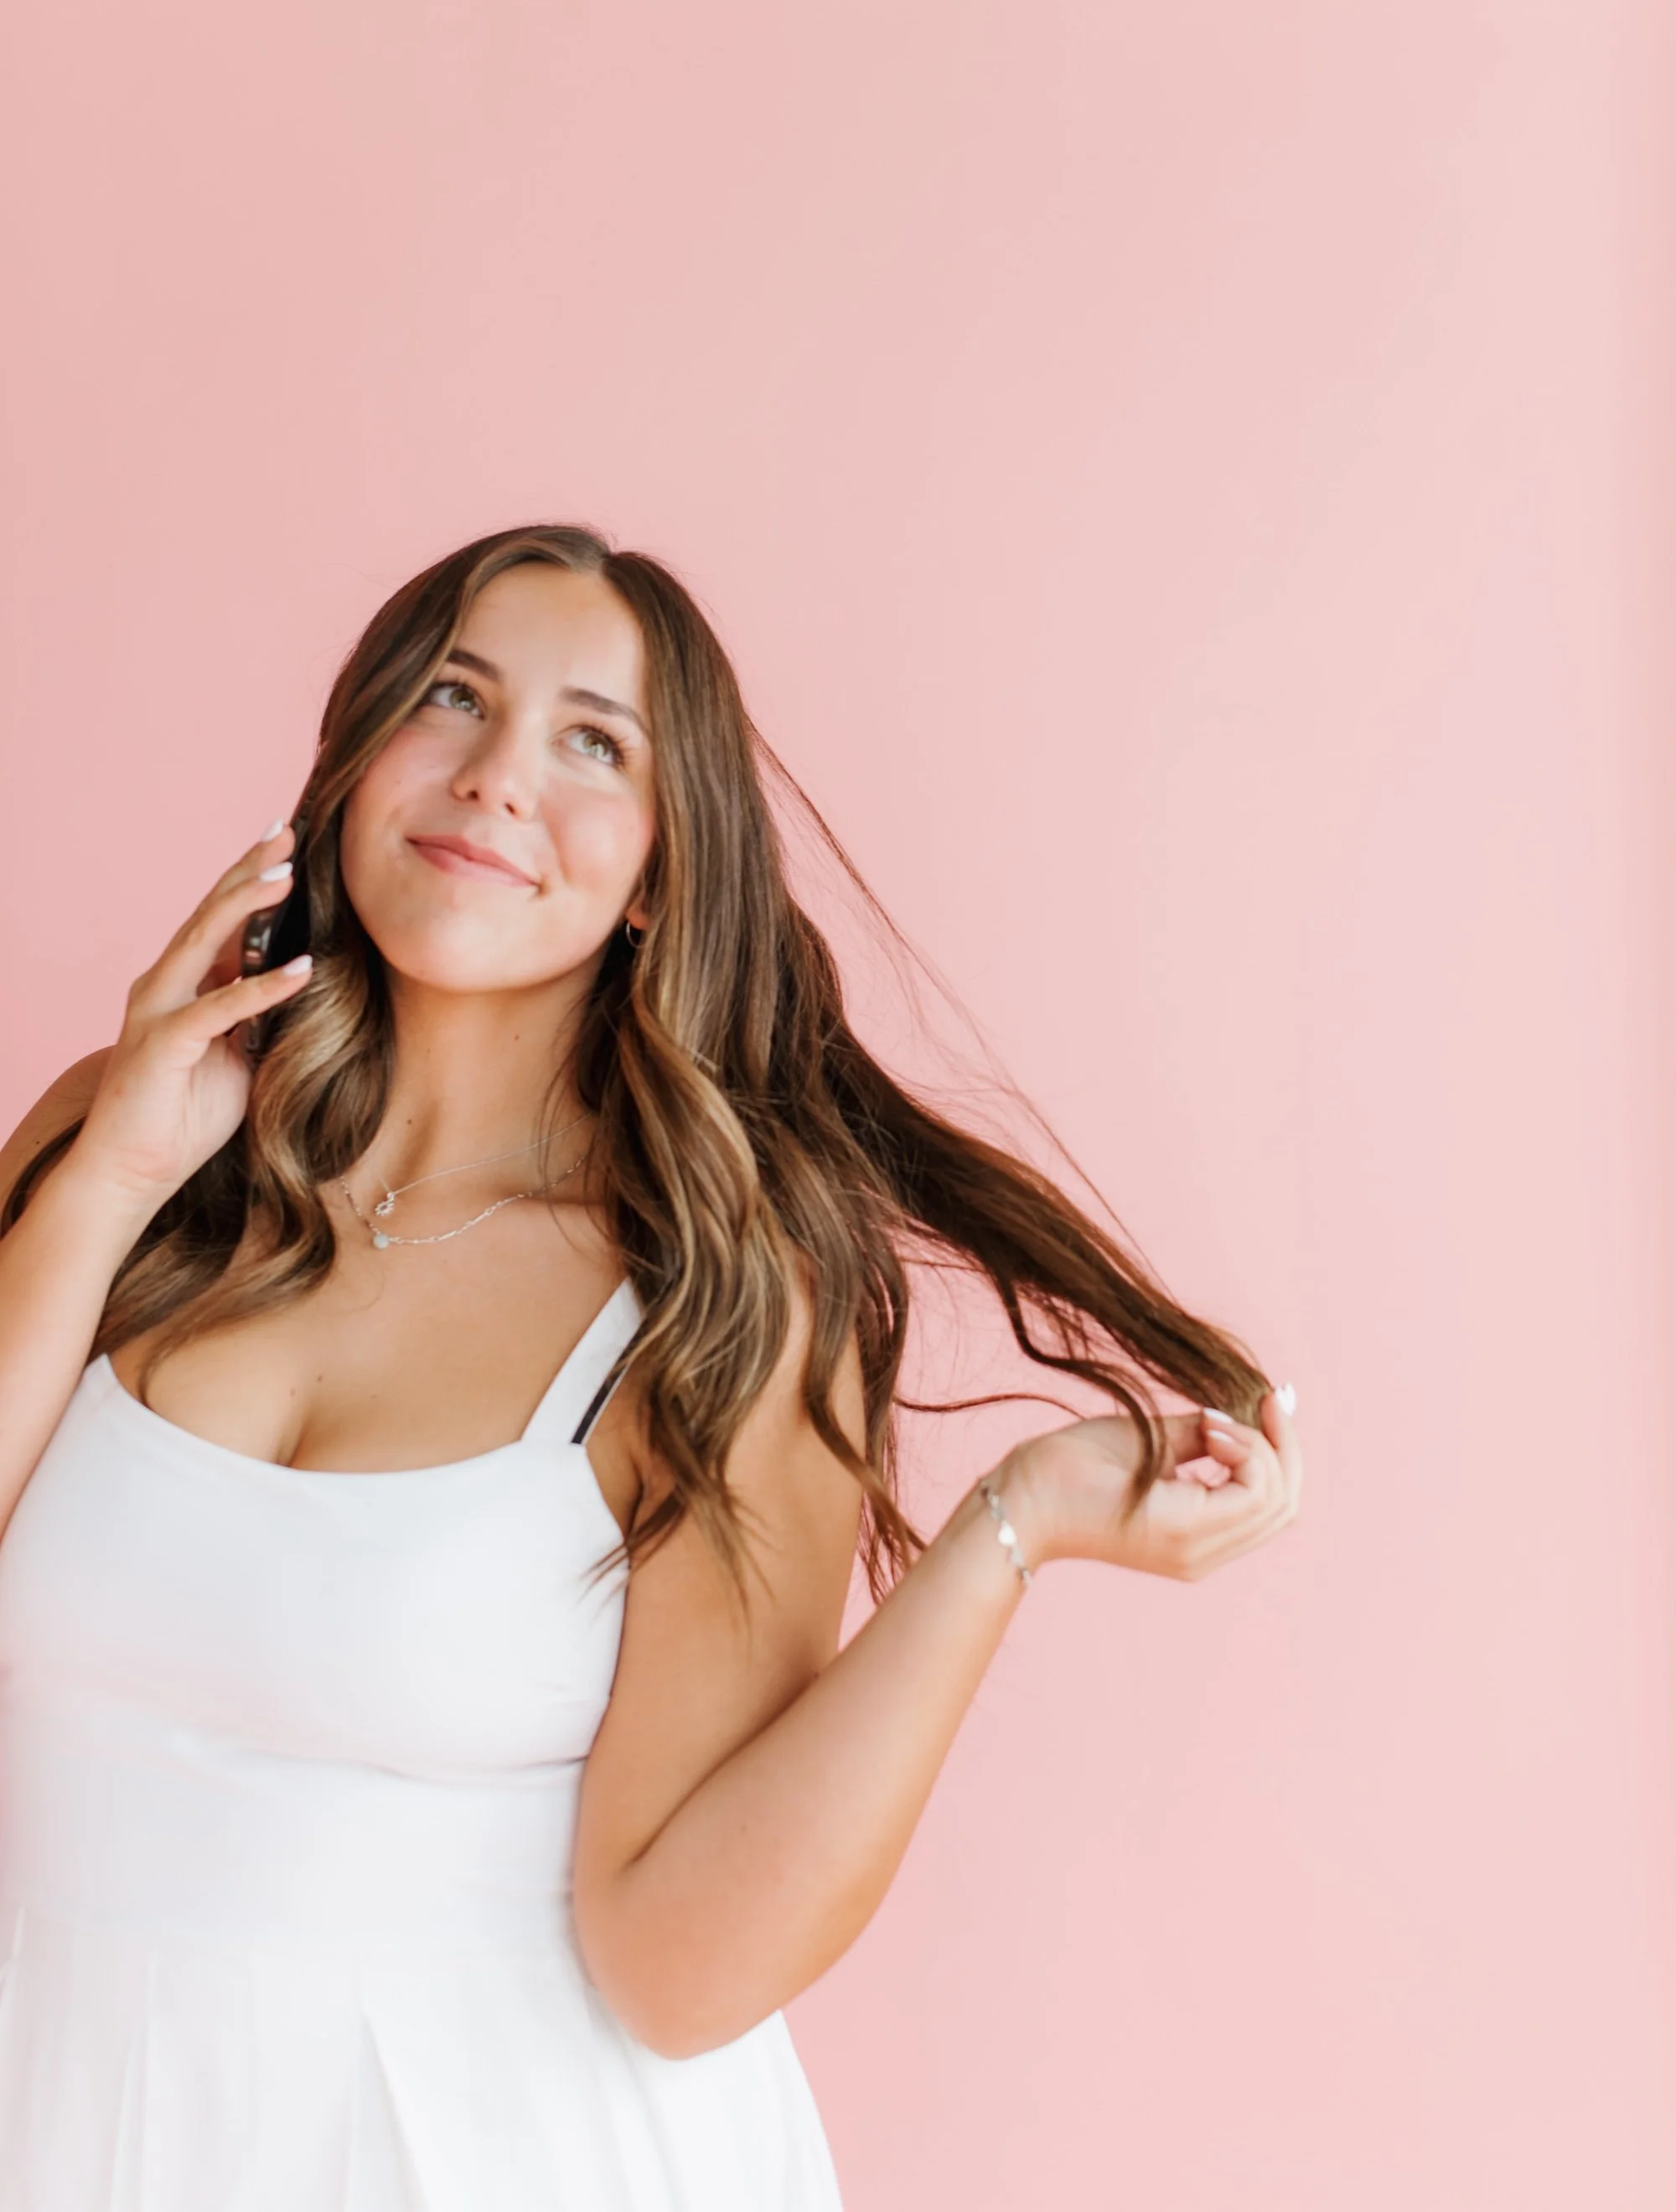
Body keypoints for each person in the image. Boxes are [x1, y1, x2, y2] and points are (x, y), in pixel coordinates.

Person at [0, 524, 1302, 2209]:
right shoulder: (129, 1151)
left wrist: (1013, 1525)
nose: (492, 778)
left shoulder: (715, 1297)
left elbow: (680, 1969)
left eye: (590, 742)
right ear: (350, 758)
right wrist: (104, 1178)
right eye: (453, 697)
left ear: (662, 872)